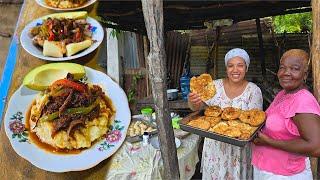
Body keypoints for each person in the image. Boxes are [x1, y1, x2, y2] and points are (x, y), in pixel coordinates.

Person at [188, 48, 263, 179]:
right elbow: (197, 108)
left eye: (240, 65)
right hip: (214, 149)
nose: (235, 70)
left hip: (239, 152)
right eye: (231, 66)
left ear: (246, 68)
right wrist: (192, 102)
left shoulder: (253, 91)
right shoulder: (214, 86)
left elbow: (253, 125)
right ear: (226, 68)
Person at [252, 49, 320, 179]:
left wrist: (269, 142)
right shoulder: (283, 94)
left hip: (286, 174)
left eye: (294, 68)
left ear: (305, 74)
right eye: (282, 68)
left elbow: (316, 147)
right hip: (267, 169)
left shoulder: (303, 101)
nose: (286, 73)